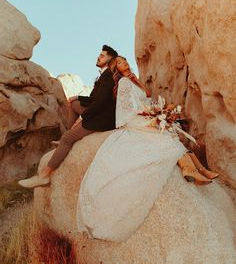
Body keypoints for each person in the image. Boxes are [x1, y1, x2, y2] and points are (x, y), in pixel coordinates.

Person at [77, 56, 218, 242]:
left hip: (146, 117)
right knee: (165, 138)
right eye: (119, 62)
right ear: (116, 69)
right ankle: (191, 168)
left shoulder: (136, 81)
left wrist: (159, 114)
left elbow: (146, 103)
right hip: (135, 121)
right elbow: (127, 110)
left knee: (170, 133)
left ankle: (195, 168)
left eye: (125, 60)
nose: (124, 62)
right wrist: (151, 119)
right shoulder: (125, 83)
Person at [18, 45, 118, 188]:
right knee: (74, 104)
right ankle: (64, 137)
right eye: (99, 55)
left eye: (102, 56)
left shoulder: (108, 76)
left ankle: (44, 175)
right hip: (98, 111)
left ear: (110, 59)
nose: (98, 57)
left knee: (68, 138)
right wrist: (76, 97)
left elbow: (100, 103)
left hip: (101, 119)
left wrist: (83, 119)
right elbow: (93, 99)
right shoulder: (103, 75)